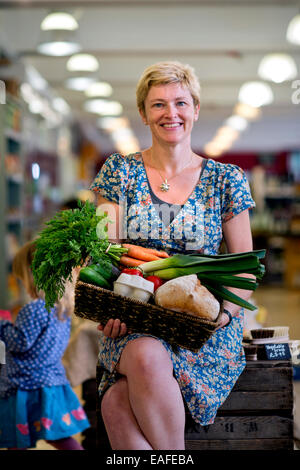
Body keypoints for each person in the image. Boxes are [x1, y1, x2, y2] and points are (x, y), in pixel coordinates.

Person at [89, 61, 256, 450]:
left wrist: (225, 316)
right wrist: (109, 308)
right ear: (144, 114)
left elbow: (245, 270)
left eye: (180, 102)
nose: (171, 113)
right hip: (135, 319)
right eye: (158, 104)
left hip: (200, 329)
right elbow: (103, 254)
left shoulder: (226, 179)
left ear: (195, 109)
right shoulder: (119, 172)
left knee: (116, 401)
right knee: (145, 355)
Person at [0, 241, 90, 450]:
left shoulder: (34, 309)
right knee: (59, 437)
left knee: (16, 437)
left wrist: (3, 326)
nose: (23, 284)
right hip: (51, 382)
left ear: (34, 276)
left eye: (22, 279)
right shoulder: (62, 308)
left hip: (26, 385)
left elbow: (20, 342)